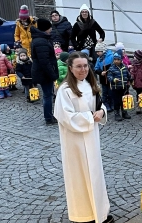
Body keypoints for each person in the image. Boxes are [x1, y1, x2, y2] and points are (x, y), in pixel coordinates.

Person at [53, 52, 114, 223]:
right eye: (79, 66)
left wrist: (102, 111)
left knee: (95, 174)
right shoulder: (65, 90)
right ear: (70, 68)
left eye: (85, 66)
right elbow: (65, 117)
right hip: (75, 142)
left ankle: (100, 213)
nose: (83, 69)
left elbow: (99, 104)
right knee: (79, 176)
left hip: (91, 138)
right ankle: (83, 215)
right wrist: (89, 117)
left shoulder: (89, 84)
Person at [31, 18, 59, 125]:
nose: (51, 29)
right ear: (45, 29)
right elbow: (44, 62)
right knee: (48, 95)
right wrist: (52, 75)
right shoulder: (41, 41)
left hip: (43, 73)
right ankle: (48, 117)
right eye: (49, 27)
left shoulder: (40, 39)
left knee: (48, 94)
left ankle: (49, 116)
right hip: (44, 74)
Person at [107, 53, 132, 121]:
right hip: (115, 88)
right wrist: (113, 79)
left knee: (124, 101)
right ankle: (117, 113)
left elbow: (128, 75)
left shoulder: (124, 67)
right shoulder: (111, 68)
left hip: (124, 87)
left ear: (121, 60)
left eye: (118, 59)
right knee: (117, 101)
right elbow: (109, 77)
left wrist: (130, 79)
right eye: (115, 59)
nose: (116, 61)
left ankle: (124, 112)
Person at [94, 42, 114, 112]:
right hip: (103, 79)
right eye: (96, 52)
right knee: (104, 93)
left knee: (111, 92)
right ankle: (105, 104)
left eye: (98, 51)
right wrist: (100, 72)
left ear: (103, 50)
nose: (97, 53)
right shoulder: (98, 59)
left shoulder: (111, 57)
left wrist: (109, 72)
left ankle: (112, 104)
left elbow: (114, 66)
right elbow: (96, 68)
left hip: (110, 78)